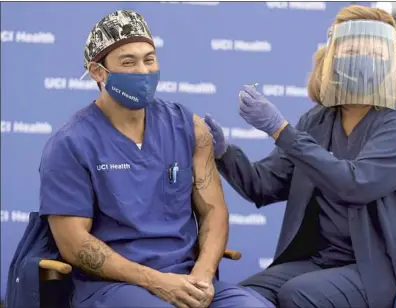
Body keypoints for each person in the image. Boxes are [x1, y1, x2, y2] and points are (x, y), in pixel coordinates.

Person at [204, 5, 396, 308]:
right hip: (321, 261)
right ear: (332, 58)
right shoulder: (318, 120)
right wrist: (224, 152)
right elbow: (263, 185)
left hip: (381, 268)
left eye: (375, 53)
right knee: (239, 297)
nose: (362, 60)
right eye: (352, 50)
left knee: (298, 295)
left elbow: (356, 184)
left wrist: (280, 130)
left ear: (392, 62)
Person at [39, 10, 272, 308]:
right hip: (113, 287)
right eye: (128, 62)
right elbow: (74, 243)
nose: (143, 71)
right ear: (98, 72)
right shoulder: (70, 144)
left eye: (149, 59)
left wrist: (202, 276)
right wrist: (156, 282)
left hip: (188, 278)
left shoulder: (188, 126)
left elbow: (214, 211)